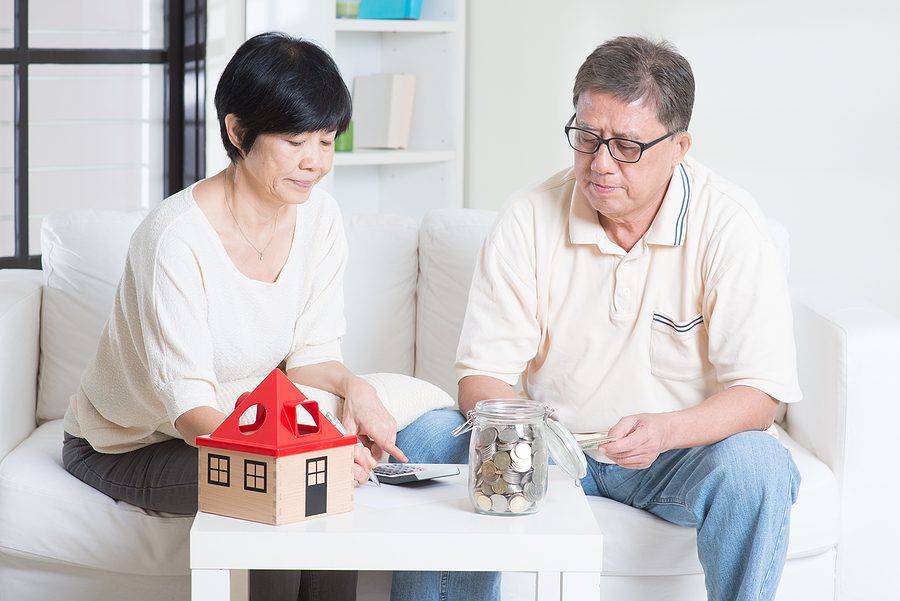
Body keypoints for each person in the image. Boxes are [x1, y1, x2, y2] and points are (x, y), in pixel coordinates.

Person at [393, 36, 801, 601]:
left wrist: (666, 431)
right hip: (550, 451)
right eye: (587, 138)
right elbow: (481, 381)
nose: (600, 164)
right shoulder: (528, 218)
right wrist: (530, 436)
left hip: (674, 457)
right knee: (429, 435)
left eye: (627, 146)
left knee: (757, 465)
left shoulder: (729, 225)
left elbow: (760, 397)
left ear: (679, 146)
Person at [62, 32, 407, 601]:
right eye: (295, 141)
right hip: (131, 443)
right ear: (237, 131)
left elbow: (313, 357)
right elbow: (190, 409)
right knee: (281, 491)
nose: (315, 163)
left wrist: (355, 388)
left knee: (319, 489)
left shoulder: (320, 218)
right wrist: (299, 460)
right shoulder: (176, 239)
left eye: (326, 141)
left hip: (231, 426)